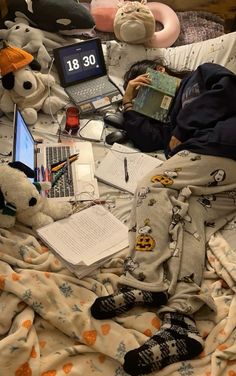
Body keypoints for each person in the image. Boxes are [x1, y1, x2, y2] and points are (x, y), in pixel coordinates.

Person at [90, 60, 236, 376]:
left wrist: (182, 130)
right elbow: (151, 141)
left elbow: (229, 92)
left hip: (223, 146)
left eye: (146, 81)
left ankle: (145, 279)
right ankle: (181, 323)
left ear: (160, 71)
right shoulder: (167, 119)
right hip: (220, 177)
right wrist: (130, 102)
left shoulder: (202, 76)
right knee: (188, 219)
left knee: (152, 186)